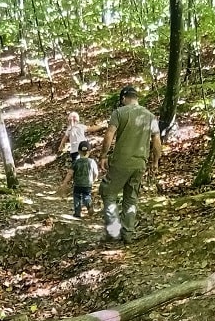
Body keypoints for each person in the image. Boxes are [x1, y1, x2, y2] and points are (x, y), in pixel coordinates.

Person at [97, 85, 162, 244]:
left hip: (121, 162)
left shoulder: (119, 112)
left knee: (107, 192)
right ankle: (128, 234)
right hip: (140, 162)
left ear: (123, 98)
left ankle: (113, 232)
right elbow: (157, 141)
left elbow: (109, 135)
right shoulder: (150, 116)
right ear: (136, 97)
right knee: (131, 198)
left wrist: (103, 156)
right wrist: (155, 162)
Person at [58, 140, 98, 218]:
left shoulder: (76, 162)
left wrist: (65, 182)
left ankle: (77, 213)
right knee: (86, 196)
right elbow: (96, 173)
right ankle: (89, 205)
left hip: (77, 184)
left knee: (77, 197)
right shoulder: (92, 162)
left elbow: (70, 173)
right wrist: (94, 180)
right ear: (89, 152)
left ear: (79, 151)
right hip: (87, 184)